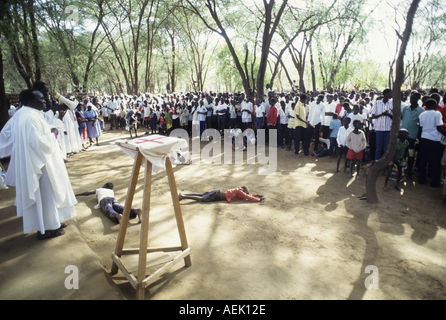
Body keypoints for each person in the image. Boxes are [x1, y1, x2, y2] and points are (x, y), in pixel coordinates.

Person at [11, 89, 77, 239]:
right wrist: (53, 134)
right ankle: (45, 229)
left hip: (42, 161)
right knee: (45, 195)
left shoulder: (29, 114)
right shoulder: (29, 118)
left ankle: (53, 222)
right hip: (40, 165)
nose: (46, 101)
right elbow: (37, 143)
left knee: (50, 195)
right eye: (42, 99)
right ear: (31, 101)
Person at [76, 183, 142, 224]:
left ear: (104, 186)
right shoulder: (111, 191)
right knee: (120, 207)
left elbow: (87, 193)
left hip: (104, 200)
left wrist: (76, 195)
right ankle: (135, 211)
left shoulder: (99, 189)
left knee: (108, 209)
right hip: (112, 199)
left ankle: (117, 216)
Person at [418, 98, 446, 188]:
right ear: (435, 105)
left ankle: (421, 179)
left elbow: (421, 127)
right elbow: (439, 128)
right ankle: (434, 182)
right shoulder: (437, 114)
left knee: (423, 159)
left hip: (424, 138)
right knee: (434, 161)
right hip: (434, 139)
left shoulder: (422, 114)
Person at [401, 91, 424, 180]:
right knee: (402, 153)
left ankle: (409, 171)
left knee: (411, 154)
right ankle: (402, 171)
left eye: (413, 98)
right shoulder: (406, 109)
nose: (411, 100)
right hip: (402, 135)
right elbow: (402, 118)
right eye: (411, 98)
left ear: (418, 99)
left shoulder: (421, 111)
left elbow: (421, 125)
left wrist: (418, 137)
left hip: (412, 135)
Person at [370, 89, 393, 160]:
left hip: (388, 128)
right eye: (390, 94)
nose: (391, 95)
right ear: (385, 94)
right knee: (378, 147)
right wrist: (381, 114)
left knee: (386, 147)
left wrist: (388, 114)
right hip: (379, 128)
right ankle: (376, 162)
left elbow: (394, 117)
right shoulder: (377, 103)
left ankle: (384, 164)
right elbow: (373, 116)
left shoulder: (392, 103)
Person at [178, 186, 264, 203]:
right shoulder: (240, 192)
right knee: (202, 199)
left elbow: (248, 196)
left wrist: (256, 195)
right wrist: (258, 200)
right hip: (219, 195)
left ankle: (184, 194)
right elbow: (247, 197)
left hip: (218, 192)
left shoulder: (238, 190)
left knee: (201, 195)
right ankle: (183, 196)